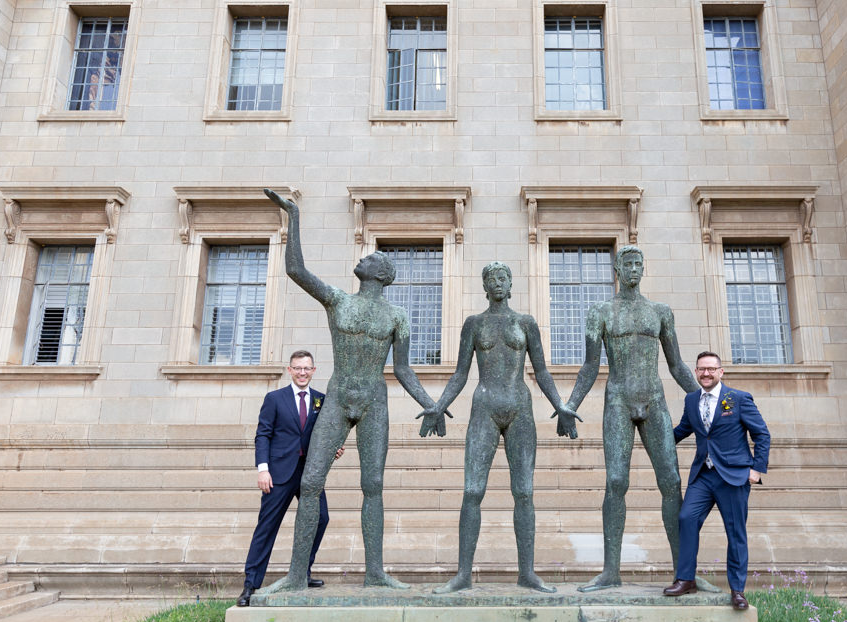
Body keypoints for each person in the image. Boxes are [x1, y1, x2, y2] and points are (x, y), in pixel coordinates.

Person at [259, 188, 445, 593]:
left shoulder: (397, 316)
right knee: (310, 484)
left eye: (369, 257)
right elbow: (297, 271)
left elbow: (403, 369)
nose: (361, 257)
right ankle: (295, 576)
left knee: (372, 486)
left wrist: (431, 404)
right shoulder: (338, 301)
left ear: (381, 273)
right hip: (339, 396)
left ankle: (375, 572)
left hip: (374, 401)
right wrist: (293, 217)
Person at [423, 262, 580, 594]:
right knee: (472, 491)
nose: (497, 283)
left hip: (520, 409)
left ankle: (527, 573)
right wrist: (439, 405)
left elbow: (542, 371)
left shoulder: (525, 323)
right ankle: (463, 574)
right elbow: (460, 374)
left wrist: (560, 405)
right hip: (484, 408)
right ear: (485, 286)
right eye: (491, 278)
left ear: (511, 284)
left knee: (524, 492)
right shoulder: (474, 324)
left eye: (502, 278)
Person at [560, 245, 699, 592]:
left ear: (643, 269)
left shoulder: (660, 312)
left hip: (654, 400)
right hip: (619, 400)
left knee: (671, 483)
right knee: (616, 483)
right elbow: (590, 367)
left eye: (639, 263)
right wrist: (570, 405)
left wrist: (709, 398)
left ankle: (685, 573)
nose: (634, 269)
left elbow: (677, 365)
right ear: (618, 270)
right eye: (628, 264)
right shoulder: (601, 312)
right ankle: (611, 571)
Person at [663, 351, 770, 610]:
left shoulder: (739, 399)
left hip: (733, 476)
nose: (706, 373)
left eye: (711, 369)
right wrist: (654, 436)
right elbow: (681, 430)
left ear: (721, 372)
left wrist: (756, 469)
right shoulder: (691, 400)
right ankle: (686, 579)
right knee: (686, 519)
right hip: (703, 475)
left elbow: (762, 434)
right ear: (696, 372)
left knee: (735, 533)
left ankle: (737, 590)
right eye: (701, 369)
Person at [237, 350, 344, 607]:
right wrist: (262, 469)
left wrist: (334, 448)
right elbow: (263, 434)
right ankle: (251, 584)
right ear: (290, 370)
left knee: (321, 518)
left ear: (314, 371)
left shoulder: (322, 400)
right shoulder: (274, 399)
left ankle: (301, 573)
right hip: (278, 473)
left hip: (310, 473)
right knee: (267, 526)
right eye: (298, 368)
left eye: (307, 368)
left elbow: (327, 432)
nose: (302, 372)